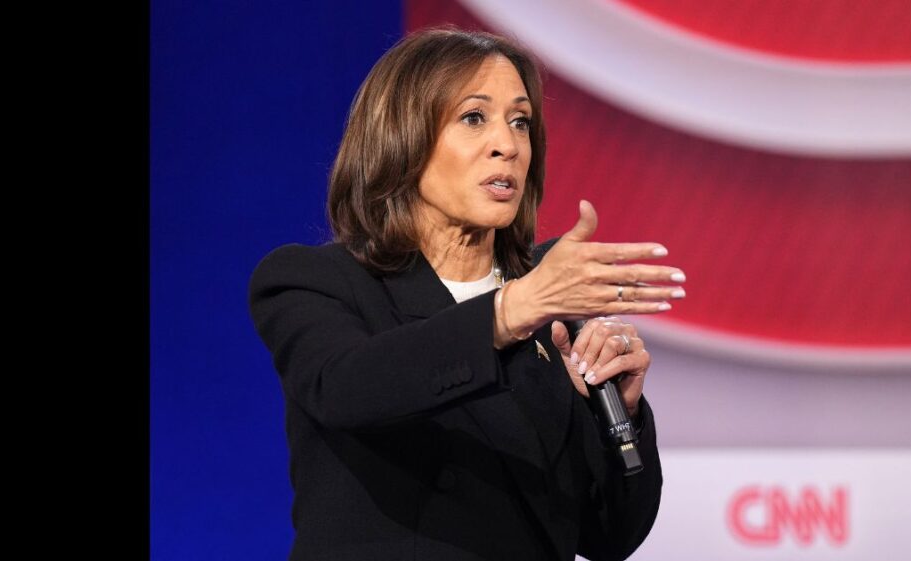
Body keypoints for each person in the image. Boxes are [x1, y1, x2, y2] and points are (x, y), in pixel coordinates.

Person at [248, 26, 687, 561]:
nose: (507, 144)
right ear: (402, 138)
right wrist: (512, 311)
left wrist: (622, 414)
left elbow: (608, 536)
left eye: (520, 121)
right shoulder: (315, 281)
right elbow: (347, 387)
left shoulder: (552, 313)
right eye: (474, 117)